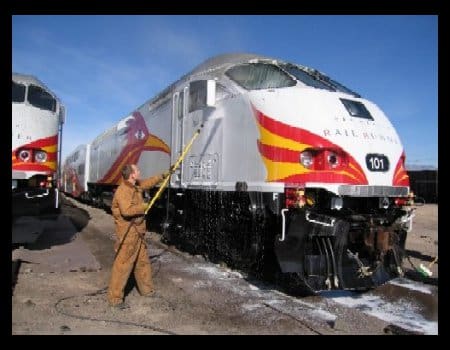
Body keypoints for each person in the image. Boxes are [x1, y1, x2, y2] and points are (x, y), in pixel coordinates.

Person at [107, 163, 169, 308]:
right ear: (132, 174)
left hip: (138, 232)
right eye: (137, 170)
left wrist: (163, 175)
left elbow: (148, 183)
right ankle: (115, 298)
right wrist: (144, 206)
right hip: (129, 234)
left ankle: (146, 290)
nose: (139, 172)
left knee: (142, 262)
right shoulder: (123, 191)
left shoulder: (135, 186)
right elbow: (127, 211)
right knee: (123, 265)